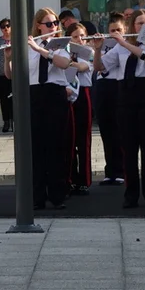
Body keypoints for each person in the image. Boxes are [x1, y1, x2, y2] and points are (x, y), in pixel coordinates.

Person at [5, 8, 89, 210]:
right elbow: (10, 75)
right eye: (49, 24)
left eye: (55, 24)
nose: (53, 27)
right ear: (38, 26)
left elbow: (65, 63)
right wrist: (8, 58)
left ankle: (58, 195)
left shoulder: (60, 46)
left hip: (55, 95)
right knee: (36, 148)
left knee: (57, 147)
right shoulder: (26, 47)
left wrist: (40, 50)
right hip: (34, 96)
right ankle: (37, 196)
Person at [96, 9, 145, 209]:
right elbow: (100, 68)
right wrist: (98, 49)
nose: (144, 27)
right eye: (140, 23)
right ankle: (131, 194)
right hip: (126, 95)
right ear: (133, 26)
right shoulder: (120, 48)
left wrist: (124, 43)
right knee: (129, 149)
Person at [94, 12, 126, 186]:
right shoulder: (104, 44)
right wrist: (97, 48)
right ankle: (110, 170)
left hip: (118, 85)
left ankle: (121, 169)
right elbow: (98, 66)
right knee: (106, 130)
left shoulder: (126, 44)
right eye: (112, 30)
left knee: (119, 130)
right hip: (103, 86)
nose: (115, 33)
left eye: (118, 30)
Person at [63, 22, 94, 195]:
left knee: (84, 139)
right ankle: (70, 178)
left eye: (82, 35)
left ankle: (84, 180)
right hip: (68, 95)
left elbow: (84, 67)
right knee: (69, 139)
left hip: (83, 94)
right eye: (75, 37)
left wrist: (68, 63)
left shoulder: (88, 52)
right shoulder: (63, 53)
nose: (80, 39)